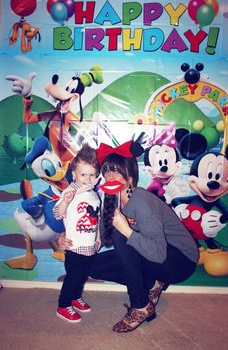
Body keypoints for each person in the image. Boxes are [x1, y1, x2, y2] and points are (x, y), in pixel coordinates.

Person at [58, 140, 199, 332]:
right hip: (151, 255)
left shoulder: (141, 201)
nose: (110, 175)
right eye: (106, 170)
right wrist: (65, 234)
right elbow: (96, 234)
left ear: (130, 177)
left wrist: (126, 230)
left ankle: (140, 305)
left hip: (179, 260)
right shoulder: (109, 199)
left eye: (117, 170)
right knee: (91, 264)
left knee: (121, 238)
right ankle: (151, 283)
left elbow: (159, 254)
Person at [54, 143, 101, 323]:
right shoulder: (70, 192)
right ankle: (63, 305)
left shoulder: (93, 195)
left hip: (89, 246)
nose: (88, 179)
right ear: (74, 174)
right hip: (74, 247)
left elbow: (95, 219)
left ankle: (74, 297)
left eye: (91, 175)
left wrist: (98, 237)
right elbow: (57, 214)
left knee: (81, 276)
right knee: (73, 277)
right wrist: (65, 202)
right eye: (83, 174)